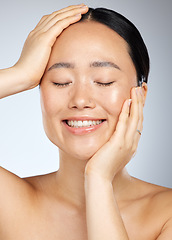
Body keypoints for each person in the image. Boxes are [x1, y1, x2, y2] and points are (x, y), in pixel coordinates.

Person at [0, 3, 172, 239]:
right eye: (60, 81)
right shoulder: (8, 204)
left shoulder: (166, 214)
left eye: (104, 81)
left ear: (140, 94)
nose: (80, 100)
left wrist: (99, 181)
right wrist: (20, 74)